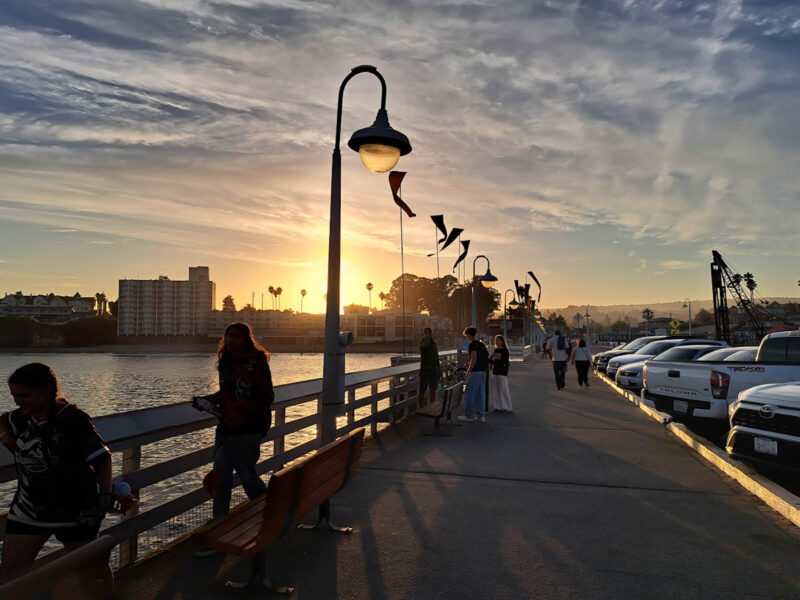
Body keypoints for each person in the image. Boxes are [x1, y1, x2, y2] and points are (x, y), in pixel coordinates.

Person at [0, 363, 113, 595]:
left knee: (92, 571)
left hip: (75, 511)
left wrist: (104, 499)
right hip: (28, 510)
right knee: (10, 573)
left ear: (47, 389)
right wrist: (6, 439)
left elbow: (102, 459)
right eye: (14, 396)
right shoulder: (16, 420)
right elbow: (3, 425)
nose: (18, 401)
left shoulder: (73, 419)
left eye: (25, 395)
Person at [194, 322, 273, 528]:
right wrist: (208, 401)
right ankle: (220, 525)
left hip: (250, 428)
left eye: (237, 336)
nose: (231, 340)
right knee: (221, 476)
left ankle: (270, 511)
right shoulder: (226, 361)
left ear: (247, 339)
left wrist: (239, 408)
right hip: (228, 428)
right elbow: (226, 393)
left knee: (247, 475)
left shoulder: (257, 361)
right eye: (228, 336)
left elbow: (266, 397)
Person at [457, 327, 489, 423]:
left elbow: (473, 359)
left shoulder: (472, 345)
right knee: (480, 394)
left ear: (469, 335)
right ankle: (481, 415)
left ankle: (468, 415)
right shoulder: (482, 345)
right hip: (483, 371)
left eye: (467, 335)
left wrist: (468, 372)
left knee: (469, 393)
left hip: (476, 372)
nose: (467, 337)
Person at [490, 334, 512, 412]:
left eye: (498, 340)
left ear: (502, 341)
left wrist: (498, 361)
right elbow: (495, 361)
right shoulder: (496, 350)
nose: (497, 341)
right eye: (496, 340)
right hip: (495, 371)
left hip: (502, 372)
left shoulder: (505, 351)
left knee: (504, 389)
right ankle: (498, 406)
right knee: (496, 390)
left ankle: (508, 407)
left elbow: (505, 363)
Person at [418, 327, 440, 407]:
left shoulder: (432, 343)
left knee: (432, 389)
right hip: (425, 369)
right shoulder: (423, 343)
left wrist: (438, 370)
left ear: (430, 333)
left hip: (433, 369)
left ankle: (432, 406)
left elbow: (436, 357)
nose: (426, 334)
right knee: (423, 389)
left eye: (427, 332)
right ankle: (421, 407)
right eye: (425, 332)